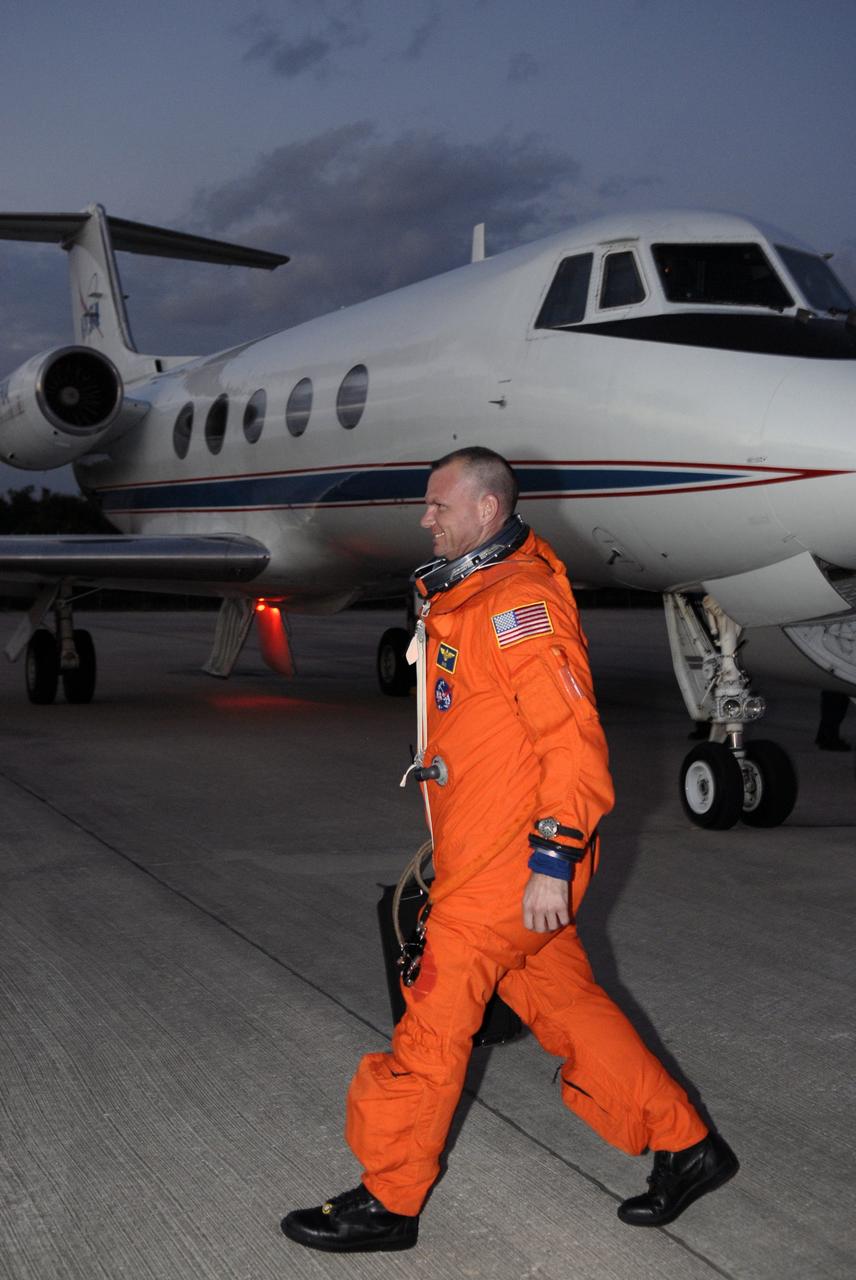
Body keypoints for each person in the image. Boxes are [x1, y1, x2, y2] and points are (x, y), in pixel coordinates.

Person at [282, 447, 738, 1253]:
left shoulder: (517, 603)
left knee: (434, 1021)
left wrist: (553, 859)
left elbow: (573, 743)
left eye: (439, 505)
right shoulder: (479, 589)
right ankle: (686, 1147)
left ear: (487, 510)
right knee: (565, 1005)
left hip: (515, 863)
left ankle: (390, 1201)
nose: (427, 518)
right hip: (486, 852)